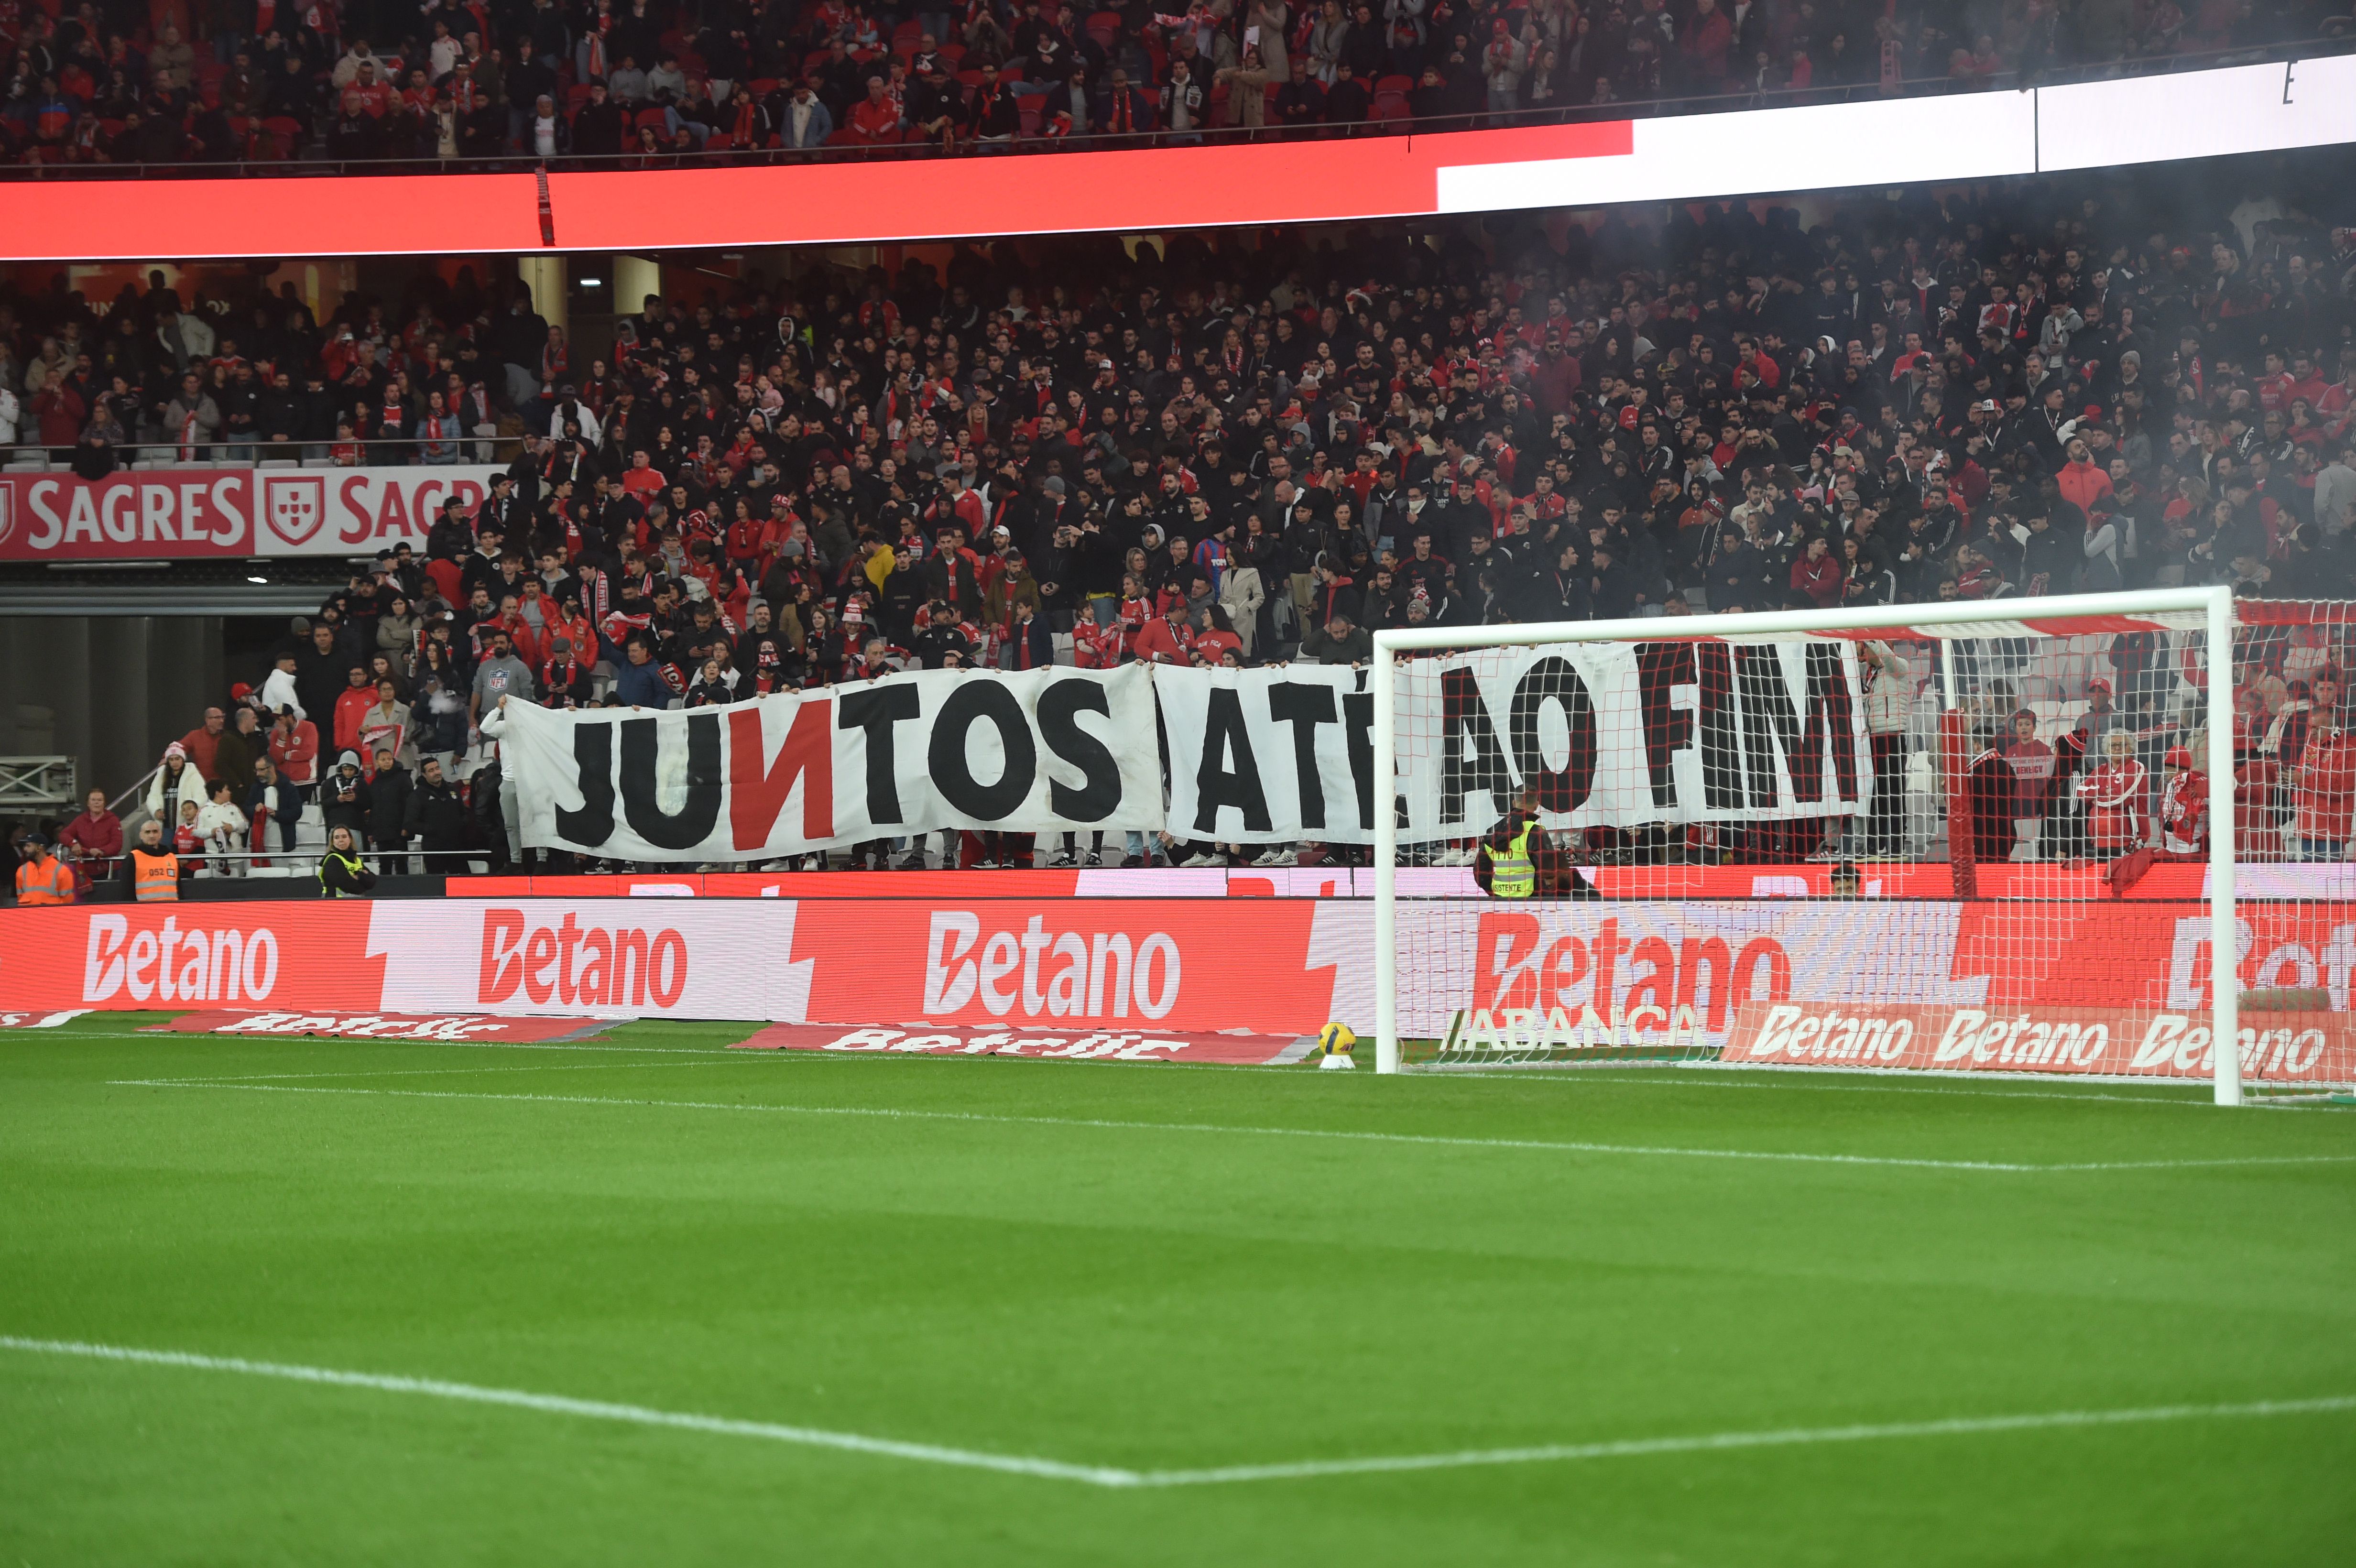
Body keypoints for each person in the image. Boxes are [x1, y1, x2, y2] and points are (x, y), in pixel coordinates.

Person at [2078, 731, 2149, 857]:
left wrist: (2095, 800)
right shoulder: (2101, 770)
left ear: (2131, 748)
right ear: (2107, 749)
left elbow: (2121, 800)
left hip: (2127, 841)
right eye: (2113, 745)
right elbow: (2080, 791)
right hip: (2098, 840)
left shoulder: (2137, 768)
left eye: (2122, 745)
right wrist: (2103, 791)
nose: (2117, 748)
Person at [405, 756, 470, 873]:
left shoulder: (453, 790)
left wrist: (460, 824)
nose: (436, 772)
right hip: (434, 849)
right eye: (431, 771)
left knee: (464, 885)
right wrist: (432, 829)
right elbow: (410, 824)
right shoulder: (418, 796)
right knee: (436, 886)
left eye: (437, 768)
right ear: (424, 775)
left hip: (456, 847)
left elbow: (464, 813)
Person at [57, 788, 123, 883]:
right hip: (85, 870)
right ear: (88, 803)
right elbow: (64, 835)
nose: (97, 803)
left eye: (100, 800)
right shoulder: (80, 820)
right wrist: (73, 844)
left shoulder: (113, 820)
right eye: (94, 800)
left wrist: (102, 851)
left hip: (110, 869)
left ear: (104, 803)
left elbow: (117, 844)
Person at [117, 817, 190, 902]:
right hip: (145, 911)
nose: (152, 835)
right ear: (141, 835)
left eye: (155, 832)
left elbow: (179, 889)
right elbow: (126, 890)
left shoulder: (171, 857)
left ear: (161, 834)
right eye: (148, 832)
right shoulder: (133, 858)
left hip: (171, 909)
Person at [196, 777, 250, 876]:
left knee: (239, 888)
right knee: (216, 887)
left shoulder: (234, 808)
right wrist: (212, 832)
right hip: (213, 858)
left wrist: (233, 826)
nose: (230, 792)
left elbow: (246, 825)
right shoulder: (204, 810)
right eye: (227, 790)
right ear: (218, 793)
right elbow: (196, 831)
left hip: (236, 857)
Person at [317, 824, 379, 897]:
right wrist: (363, 882)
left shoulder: (356, 859)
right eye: (337, 838)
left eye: (344, 837)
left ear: (350, 839)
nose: (341, 840)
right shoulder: (332, 860)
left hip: (357, 902)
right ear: (333, 842)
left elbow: (372, 881)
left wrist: (358, 876)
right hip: (334, 904)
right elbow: (346, 884)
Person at [13, 833, 74, 905]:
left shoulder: (61, 870)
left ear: (40, 848)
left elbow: (67, 901)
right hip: (26, 915)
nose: (25, 849)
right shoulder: (22, 870)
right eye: (25, 846)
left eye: (28, 846)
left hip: (51, 915)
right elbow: (20, 897)